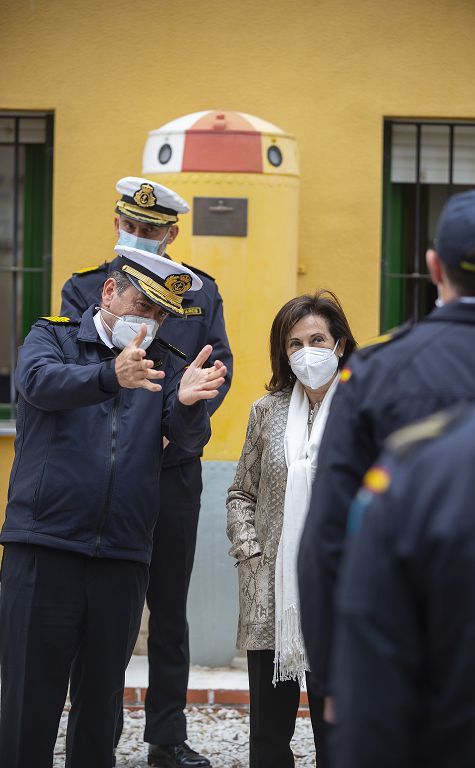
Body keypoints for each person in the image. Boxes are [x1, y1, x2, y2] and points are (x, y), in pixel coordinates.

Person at [0, 245, 227, 768]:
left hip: (122, 557)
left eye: (159, 316)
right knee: (29, 708)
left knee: (101, 714)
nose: (147, 325)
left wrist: (191, 407)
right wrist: (109, 377)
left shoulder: (164, 365)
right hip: (45, 548)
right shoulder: (52, 336)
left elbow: (182, 443)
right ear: (108, 292)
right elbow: (37, 384)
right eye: (140, 308)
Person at [298, 188, 475, 703]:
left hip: (412, 650)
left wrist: (334, 679)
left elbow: (326, 539)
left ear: (434, 266)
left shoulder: (375, 375)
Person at [60, 176, 233, 768]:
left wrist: (180, 419)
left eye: (152, 229)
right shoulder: (85, 287)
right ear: (116, 224)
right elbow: (76, 365)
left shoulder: (201, 292)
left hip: (173, 469)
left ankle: (166, 734)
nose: (140, 236)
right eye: (131, 226)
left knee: (170, 605)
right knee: (100, 603)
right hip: (105, 470)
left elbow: (220, 368)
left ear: (172, 233)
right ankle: (97, 730)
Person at [226, 290, 356, 768]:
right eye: (293, 344)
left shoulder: (362, 410)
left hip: (339, 592)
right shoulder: (267, 412)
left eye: (316, 339)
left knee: (338, 730)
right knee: (268, 734)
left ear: (339, 344)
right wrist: (252, 555)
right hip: (271, 592)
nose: (306, 353)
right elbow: (241, 492)